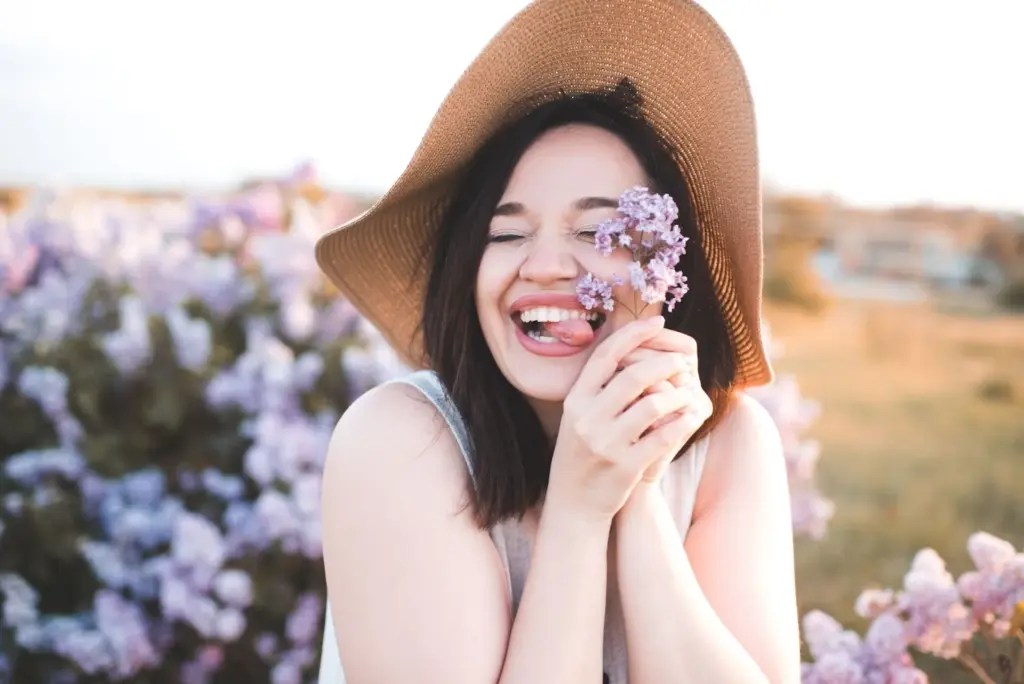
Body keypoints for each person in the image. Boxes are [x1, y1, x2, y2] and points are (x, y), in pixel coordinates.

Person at [314, 0, 800, 682]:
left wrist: (635, 490)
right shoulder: (397, 440)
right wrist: (576, 509)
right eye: (506, 234)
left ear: (669, 270)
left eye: (598, 232)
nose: (543, 266)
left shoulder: (731, 444)